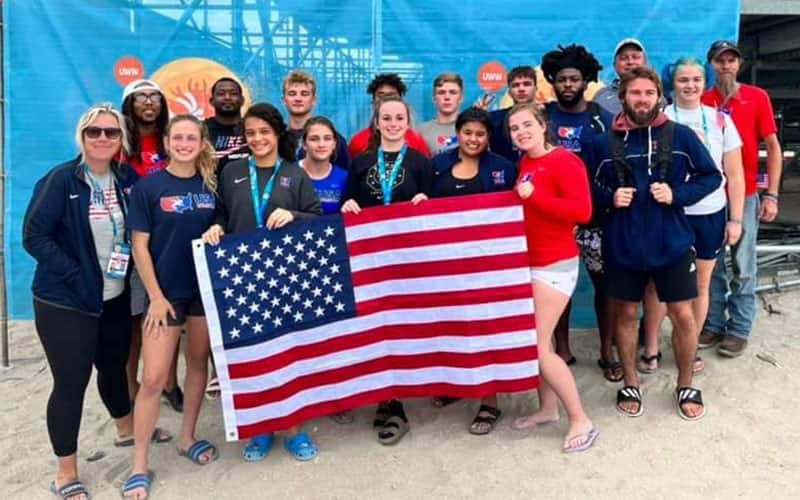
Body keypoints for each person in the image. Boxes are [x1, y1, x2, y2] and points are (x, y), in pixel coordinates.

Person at [23, 104, 149, 500]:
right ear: (82, 136)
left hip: (114, 296)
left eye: (111, 133)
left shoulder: (126, 178)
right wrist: (77, 274)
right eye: (94, 132)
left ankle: (126, 430)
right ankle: (65, 473)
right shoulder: (60, 180)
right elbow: (34, 237)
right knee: (71, 384)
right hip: (66, 301)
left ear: (121, 140)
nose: (103, 139)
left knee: (113, 367)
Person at [591, 67, 721, 421]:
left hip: (673, 243)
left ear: (659, 96)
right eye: (636, 93)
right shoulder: (601, 143)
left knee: (682, 314)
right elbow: (583, 188)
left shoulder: (680, 136)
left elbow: (712, 176)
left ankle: (686, 383)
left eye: (649, 93)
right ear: (623, 97)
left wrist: (677, 194)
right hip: (623, 245)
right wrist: (608, 197)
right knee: (627, 313)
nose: (643, 99)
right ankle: (631, 381)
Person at [202, 103, 322, 462]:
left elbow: (315, 218)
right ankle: (259, 430)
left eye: (264, 132)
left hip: (285, 279)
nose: (257, 139)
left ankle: (294, 430)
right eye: (250, 133)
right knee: (251, 356)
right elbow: (221, 212)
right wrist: (217, 226)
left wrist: (295, 214)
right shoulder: (232, 171)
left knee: (288, 354)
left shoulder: (294, 173)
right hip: (243, 278)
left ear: (277, 134)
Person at [122, 115, 220, 499]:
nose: (183, 143)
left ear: (201, 142)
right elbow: (139, 247)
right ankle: (140, 464)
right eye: (177, 137)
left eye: (190, 137)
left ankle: (187, 437)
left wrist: (220, 228)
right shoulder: (149, 187)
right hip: (165, 295)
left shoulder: (211, 184)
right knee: (154, 378)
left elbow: (223, 222)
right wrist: (156, 297)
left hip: (203, 292)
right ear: (166, 142)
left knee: (197, 364)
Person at [638, 57, 745, 373]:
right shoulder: (658, 120)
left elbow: (734, 174)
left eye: (696, 79)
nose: (690, 85)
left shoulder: (720, 120)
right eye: (683, 79)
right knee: (657, 286)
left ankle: (689, 347)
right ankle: (653, 348)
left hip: (710, 213)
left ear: (705, 81)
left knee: (701, 285)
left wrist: (735, 219)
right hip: (669, 214)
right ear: (672, 83)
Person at [504, 103, 597, 452]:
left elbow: (582, 212)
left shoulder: (564, 161)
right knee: (537, 343)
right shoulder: (526, 162)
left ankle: (580, 419)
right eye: (514, 128)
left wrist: (537, 197)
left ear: (543, 126)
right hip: (530, 262)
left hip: (553, 266)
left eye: (527, 124)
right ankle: (548, 408)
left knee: (537, 347)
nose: (521, 132)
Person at [341, 95, 434, 445]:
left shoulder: (421, 162)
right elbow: (349, 203)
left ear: (407, 123)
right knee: (374, 323)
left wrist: (426, 203)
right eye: (386, 118)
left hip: (406, 259)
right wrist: (348, 204)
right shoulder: (362, 161)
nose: (393, 124)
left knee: (400, 325)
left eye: (399, 118)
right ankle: (383, 394)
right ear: (376, 123)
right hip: (370, 258)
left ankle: (396, 401)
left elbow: (435, 208)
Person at [431, 107, 517, 434]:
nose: (473, 139)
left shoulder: (504, 168)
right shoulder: (438, 165)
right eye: (467, 133)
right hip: (445, 265)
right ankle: (456, 385)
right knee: (451, 327)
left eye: (480, 134)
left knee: (485, 330)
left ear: (488, 137)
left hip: (489, 266)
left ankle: (489, 401)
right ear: (458, 133)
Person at [700, 40, 783, 357]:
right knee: (712, 264)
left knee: (743, 265)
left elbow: (773, 148)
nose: (726, 66)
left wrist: (772, 194)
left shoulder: (756, 97)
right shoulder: (703, 100)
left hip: (745, 195)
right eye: (720, 61)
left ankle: (739, 328)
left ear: (739, 64)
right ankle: (713, 324)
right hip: (708, 198)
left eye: (731, 60)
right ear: (712, 64)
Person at [540, 44, 617, 378]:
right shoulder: (543, 117)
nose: (568, 84)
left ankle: (607, 350)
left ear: (586, 80)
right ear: (552, 83)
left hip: (597, 217)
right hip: (555, 219)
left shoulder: (603, 118)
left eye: (574, 79)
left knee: (606, 287)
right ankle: (563, 348)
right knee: (558, 288)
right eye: (561, 79)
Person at [121, 78, 184, 414]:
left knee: (168, 316)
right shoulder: (118, 143)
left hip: (167, 245)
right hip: (131, 246)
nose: (148, 102)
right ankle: (132, 391)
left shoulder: (169, 141)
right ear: (129, 105)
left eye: (154, 97)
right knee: (133, 323)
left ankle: (170, 384)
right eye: (140, 97)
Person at [347, 73, 431, 159]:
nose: (385, 99)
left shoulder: (416, 141)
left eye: (391, 95)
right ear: (373, 102)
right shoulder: (358, 142)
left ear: (401, 102)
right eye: (381, 95)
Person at [282, 70, 351, 169]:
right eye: (292, 94)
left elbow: (345, 178)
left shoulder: (333, 140)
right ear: (284, 100)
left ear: (314, 100)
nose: (298, 98)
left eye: (304, 94)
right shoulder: (277, 139)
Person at [486, 66, 538, 162]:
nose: (521, 89)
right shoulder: (493, 119)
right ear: (509, 92)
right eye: (515, 85)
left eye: (526, 84)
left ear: (536, 88)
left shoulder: (548, 115)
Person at [594, 38, 649, 115]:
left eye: (635, 57)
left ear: (645, 63)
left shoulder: (655, 95)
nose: (630, 62)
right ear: (614, 65)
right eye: (623, 58)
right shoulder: (602, 95)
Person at [204, 76, 248, 172]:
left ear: (242, 100)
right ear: (212, 101)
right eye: (221, 94)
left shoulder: (252, 128)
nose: (227, 97)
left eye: (233, 93)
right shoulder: (201, 130)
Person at [418, 72, 464, 155]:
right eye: (441, 92)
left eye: (453, 92)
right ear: (434, 99)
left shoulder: (472, 129)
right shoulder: (421, 131)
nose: (447, 97)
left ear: (461, 98)